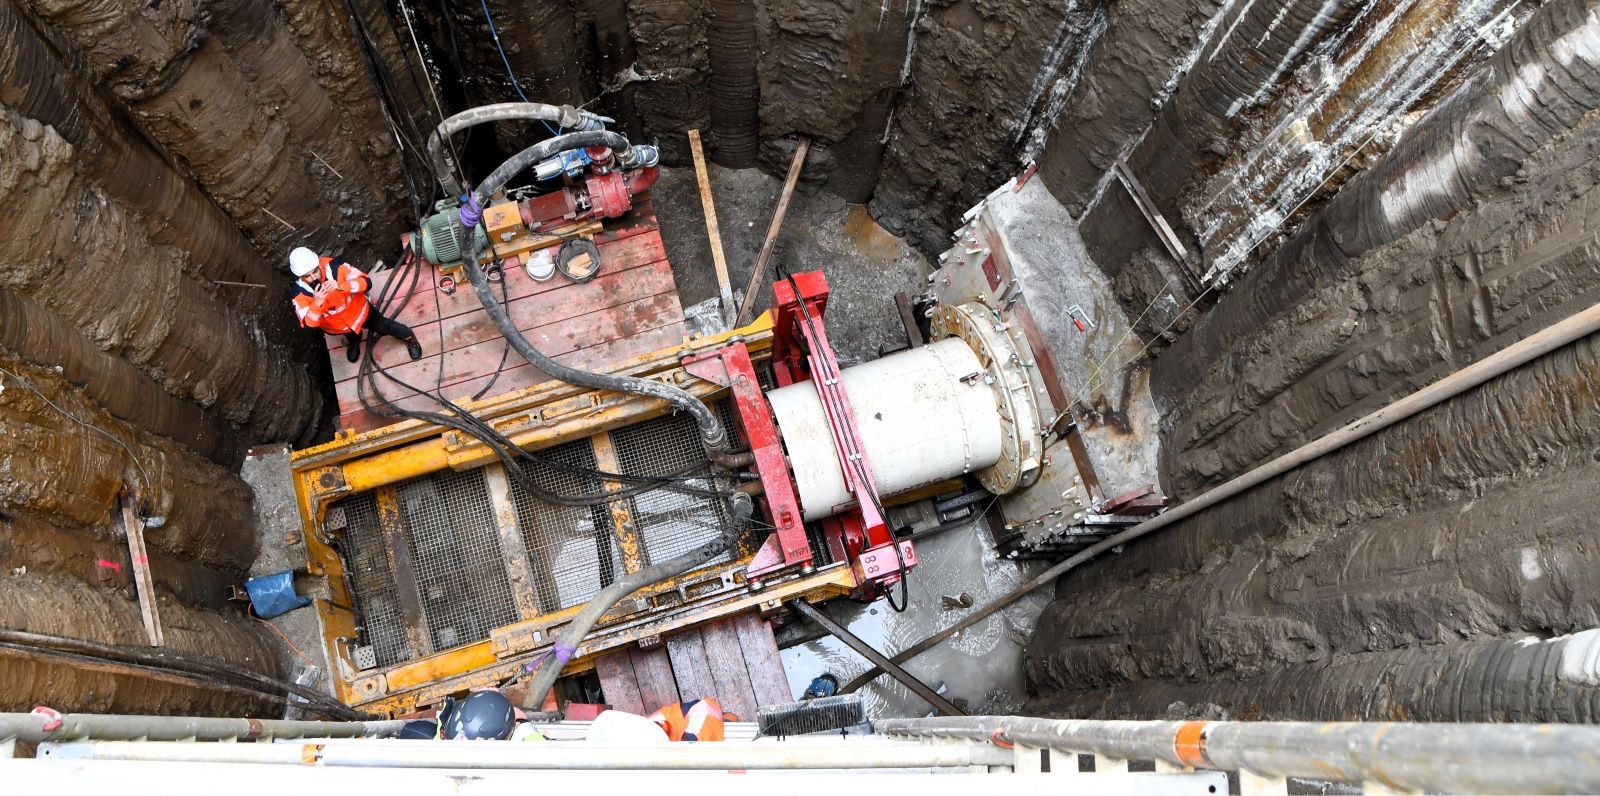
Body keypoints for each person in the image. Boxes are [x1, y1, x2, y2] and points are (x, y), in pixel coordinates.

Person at [288, 246, 422, 363]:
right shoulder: (299, 294)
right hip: (338, 328)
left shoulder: (336, 268)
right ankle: (354, 343)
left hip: (361, 312)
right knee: (352, 336)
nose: (314, 278)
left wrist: (342, 286)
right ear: (300, 276)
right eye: (308, 276)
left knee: (384, 326)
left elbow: (365, 282)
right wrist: (317, 303)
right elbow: (308, 325)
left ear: (318, 264)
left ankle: (407, 336)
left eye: (315, 271)